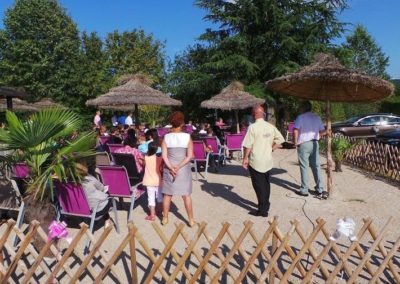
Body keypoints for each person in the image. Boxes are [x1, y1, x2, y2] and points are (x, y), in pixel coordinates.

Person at [242, 105, 284, 217]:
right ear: (263, 114)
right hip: (267, 159)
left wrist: (245, 158)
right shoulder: (270, 126)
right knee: (266, 183)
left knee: (258, 185)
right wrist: (271, 148)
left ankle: (262, 210)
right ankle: (266, 205)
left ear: (254, 114)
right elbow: (280, 139)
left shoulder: (252, 127)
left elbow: (248, 145)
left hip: (256, 160)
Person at [161, 111, 194, 227]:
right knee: (186, 195)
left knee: (167, 195)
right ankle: (190, 219)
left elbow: (164, 156)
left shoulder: (166, 137)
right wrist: (178, 167)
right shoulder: (187, 137)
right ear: (181, 123)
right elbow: (189, 156)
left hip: (169, 168)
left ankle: (165, 218)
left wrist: (171, 168)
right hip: (183, 169)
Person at [293, 101, 328, 199]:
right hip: (315, 143)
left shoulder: (301, 117)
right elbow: (322, 131)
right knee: (316, 165)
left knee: (304, 166)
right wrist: (328, 131)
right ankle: (319, 188)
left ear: (303, 108)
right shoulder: (317, 117)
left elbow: (295, 129)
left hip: (304, 143)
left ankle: (304, 189)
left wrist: (295, 142)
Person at [143, 142, 163, 221]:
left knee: (151, 198)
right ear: (156, 149)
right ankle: (160, 211)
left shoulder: (145, 157)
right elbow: (161, 169)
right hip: (158, 180)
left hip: (148, 180)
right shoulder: (159, 158)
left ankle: (152, 215)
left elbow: (143, 164)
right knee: (160, 197)